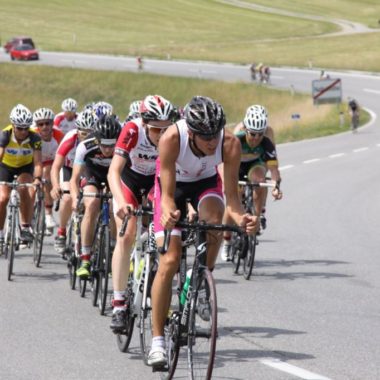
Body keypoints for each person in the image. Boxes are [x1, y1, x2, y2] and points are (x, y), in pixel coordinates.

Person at [147, 96, 258, 367]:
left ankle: (198, 280)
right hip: (173, 187)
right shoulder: (172, 138)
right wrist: (170, 213)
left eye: (215, 133)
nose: (212, 141)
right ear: (191, 131)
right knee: (170, 259)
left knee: (213, 221)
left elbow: (231, 198)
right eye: (205, 135)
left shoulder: (229, 143)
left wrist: (243, 218)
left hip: (206, 184)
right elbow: (168, 196)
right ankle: (158, 340)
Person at [107, 95, 176, 332]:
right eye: (156, 129)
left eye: (165, 129)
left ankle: (158, 292)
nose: (161, 134)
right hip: (130, 180)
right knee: (126, 235)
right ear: (145, 123)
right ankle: (118, 304)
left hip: (156, 182)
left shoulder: (173, 135)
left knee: (165, 239)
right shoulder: (132, 130)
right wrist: (120, 202)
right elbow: (113, 171)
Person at [221, 105, 282, 261]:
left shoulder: (267, 138)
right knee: (233, 197)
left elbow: (273, 168)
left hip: (256, 162)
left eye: (259, 134)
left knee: (259, 181)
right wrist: (226, 183)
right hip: (237, 163)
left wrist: (276, 186)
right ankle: (227, 241)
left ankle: (258, 215)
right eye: (252, 134)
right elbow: (224, 163)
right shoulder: (237, 135)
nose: (255, 138)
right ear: (246, 128)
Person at [70, 114, 121, 279]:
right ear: (96, 139)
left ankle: (113, 247)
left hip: (114, 175)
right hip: (92, 175)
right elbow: (74, 178)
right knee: (92, 203)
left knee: (115, 205)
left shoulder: (123, 146)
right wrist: (74, 197)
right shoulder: (85, 146)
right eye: (104, 145)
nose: (108, 150)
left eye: (111, 145)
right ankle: (85, 258)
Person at [50, 109, 97, 254]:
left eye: (91, 133)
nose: (87, 137)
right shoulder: (70, 138)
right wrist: (55, 186)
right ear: (77, 131)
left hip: (87, 171)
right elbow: (56, 166)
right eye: (84, 133)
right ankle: (61, 233)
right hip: (69, 169)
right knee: (67, 197)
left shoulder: (98, 141)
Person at [0, 104, 42, 245]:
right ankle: (0, 234)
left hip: (25, 167)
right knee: (2, 199)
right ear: (13, 125)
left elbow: (37, 162)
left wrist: (37, 179)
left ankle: (25, 227)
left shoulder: (34, 137)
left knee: (24, 189)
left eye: (26, 127)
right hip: (6, 167)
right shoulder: (5, 135)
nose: (23, 131)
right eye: (19, 128)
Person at [32, 108, 64, 231]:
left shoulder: (59, 135)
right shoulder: (33, 135)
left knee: (47, 174)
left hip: (52, 163)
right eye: (41, 124)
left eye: (48, 123)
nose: (45, 127)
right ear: (37, 125)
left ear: (52, 124)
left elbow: (65, 156)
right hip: (35, 162)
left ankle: (49, 214)